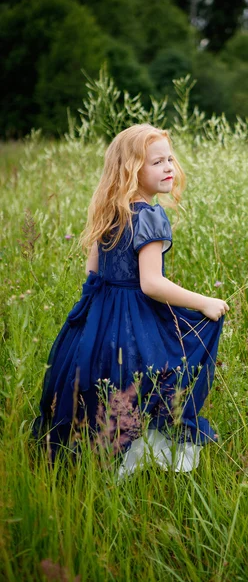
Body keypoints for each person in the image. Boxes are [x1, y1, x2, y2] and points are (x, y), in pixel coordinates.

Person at [33, 123, 229, 475]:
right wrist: (203, 302)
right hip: (135, 316)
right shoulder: (151, 216)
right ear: (131, 170)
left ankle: (94, 454)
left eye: (170, 159)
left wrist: (89, 319)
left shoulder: (110, 212)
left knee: (105, 377)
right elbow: (152, 284)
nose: (169, 167)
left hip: (100, 314)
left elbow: (93, 273)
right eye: (156, 162)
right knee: (149, 375)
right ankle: (133, 458)